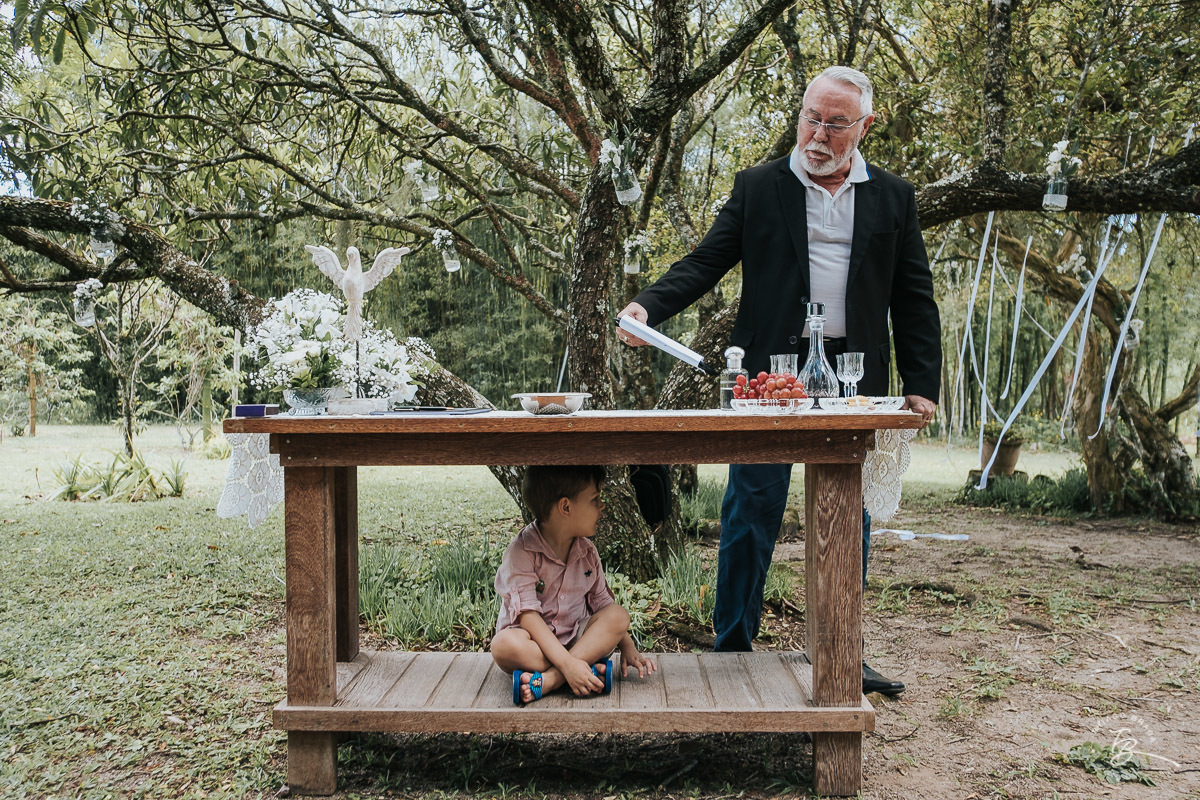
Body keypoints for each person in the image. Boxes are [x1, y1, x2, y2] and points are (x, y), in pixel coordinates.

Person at [617, 66, 941, 696]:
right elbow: (706, 260)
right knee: (751, 508)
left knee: (848, 516)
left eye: (835, 124)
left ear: (864, 126)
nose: (818, 135)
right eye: (811, 118)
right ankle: (732, 648)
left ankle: (841, 653)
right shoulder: (759, 186)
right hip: (772, 375)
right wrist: (648, 307)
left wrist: (922, 382)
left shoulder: (893, 197)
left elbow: (914, 297)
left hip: (854, 375)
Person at [491, 465, 658, 705]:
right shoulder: (521, 552)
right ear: (566, 507)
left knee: (618, 616)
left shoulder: (587, 552)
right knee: (504, 646)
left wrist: (627, 645)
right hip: (535, 645)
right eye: (595, 499)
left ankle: (550, 680)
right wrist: (569, 663)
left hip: (577, 640)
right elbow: (528, 617)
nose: (602, 506)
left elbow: (603, 606)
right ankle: (581, 669)